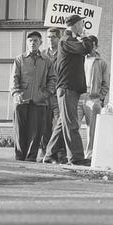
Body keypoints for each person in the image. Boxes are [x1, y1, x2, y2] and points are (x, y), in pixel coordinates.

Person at [44, 14, 94, 166]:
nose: (83, 26)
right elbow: (87, 48)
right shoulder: (66, 40)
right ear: (75, 25)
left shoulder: (68, 40)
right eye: (81, 24)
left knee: (63, 123)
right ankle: (76, 158)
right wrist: (84, 36)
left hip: (70, 89)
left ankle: (49, 154)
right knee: (72, 123)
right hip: (67, 88)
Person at [10, 31, 57, 162]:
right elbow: (14, 78)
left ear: (40, 43)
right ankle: (20, 157)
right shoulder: (20, 59)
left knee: (36, 132)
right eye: (30, 40)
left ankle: (31, 157)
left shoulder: (46, 60)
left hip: (39, 101)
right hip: (21, 100)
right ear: (27, 43)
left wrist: (46, 93)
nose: (33, 43)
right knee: (20, 130)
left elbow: (52, 78)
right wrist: (16, 93)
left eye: (36, 40)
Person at [79, 35, 109, 160]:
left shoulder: (101, 62)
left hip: (93, 98)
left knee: (92, 129)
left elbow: (106, 83)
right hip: (79, 96)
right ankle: (76, 154)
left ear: (96, 46)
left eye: (91, 45)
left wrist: (100, 98)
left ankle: (89, 155)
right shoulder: (80, 59)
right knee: (73, 126)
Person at [42, 27, 67, 164]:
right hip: (46, 95)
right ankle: (45, 151)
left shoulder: (63, 53)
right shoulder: (43, 54)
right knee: (45, 124)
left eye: (53, 37)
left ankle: (60, 153)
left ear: (59, 38)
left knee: (60, 123)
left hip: (58, 94)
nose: (50, 39)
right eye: (48, 37)